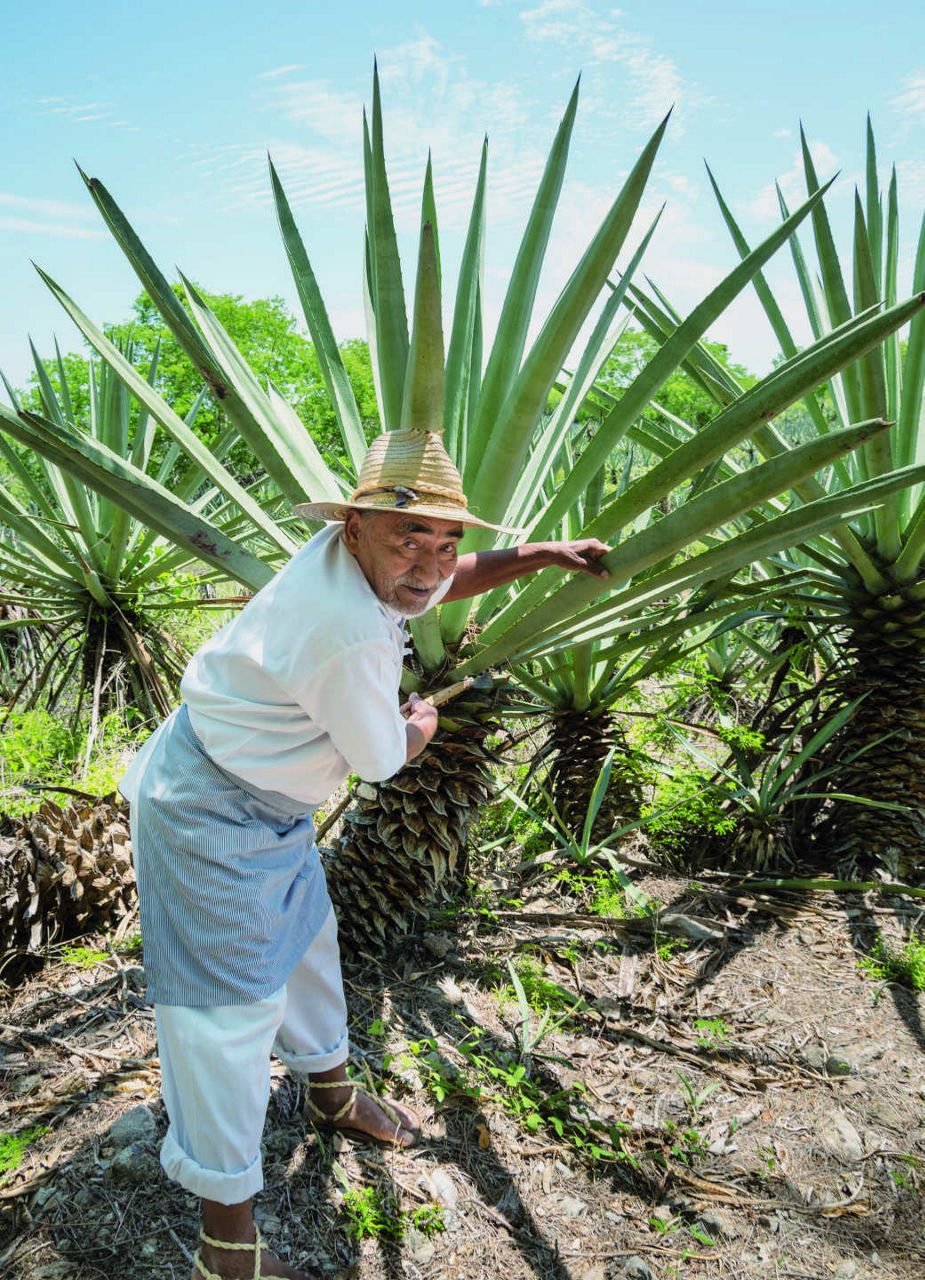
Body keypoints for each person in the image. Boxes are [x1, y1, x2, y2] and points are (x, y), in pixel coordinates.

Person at [121, 426, 610, 1280]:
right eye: (407, 536)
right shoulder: (345, 628)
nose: (428, 562)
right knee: (223, 1018)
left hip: (263, 799)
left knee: (308, 939)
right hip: (205, 813)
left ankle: (328, 1086)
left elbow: (432, 584)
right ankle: (225, 1241)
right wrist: (420, 723)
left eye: (446, 537)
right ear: (354, 527)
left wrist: (538, 553)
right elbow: (383, 760)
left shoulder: (357, 560)